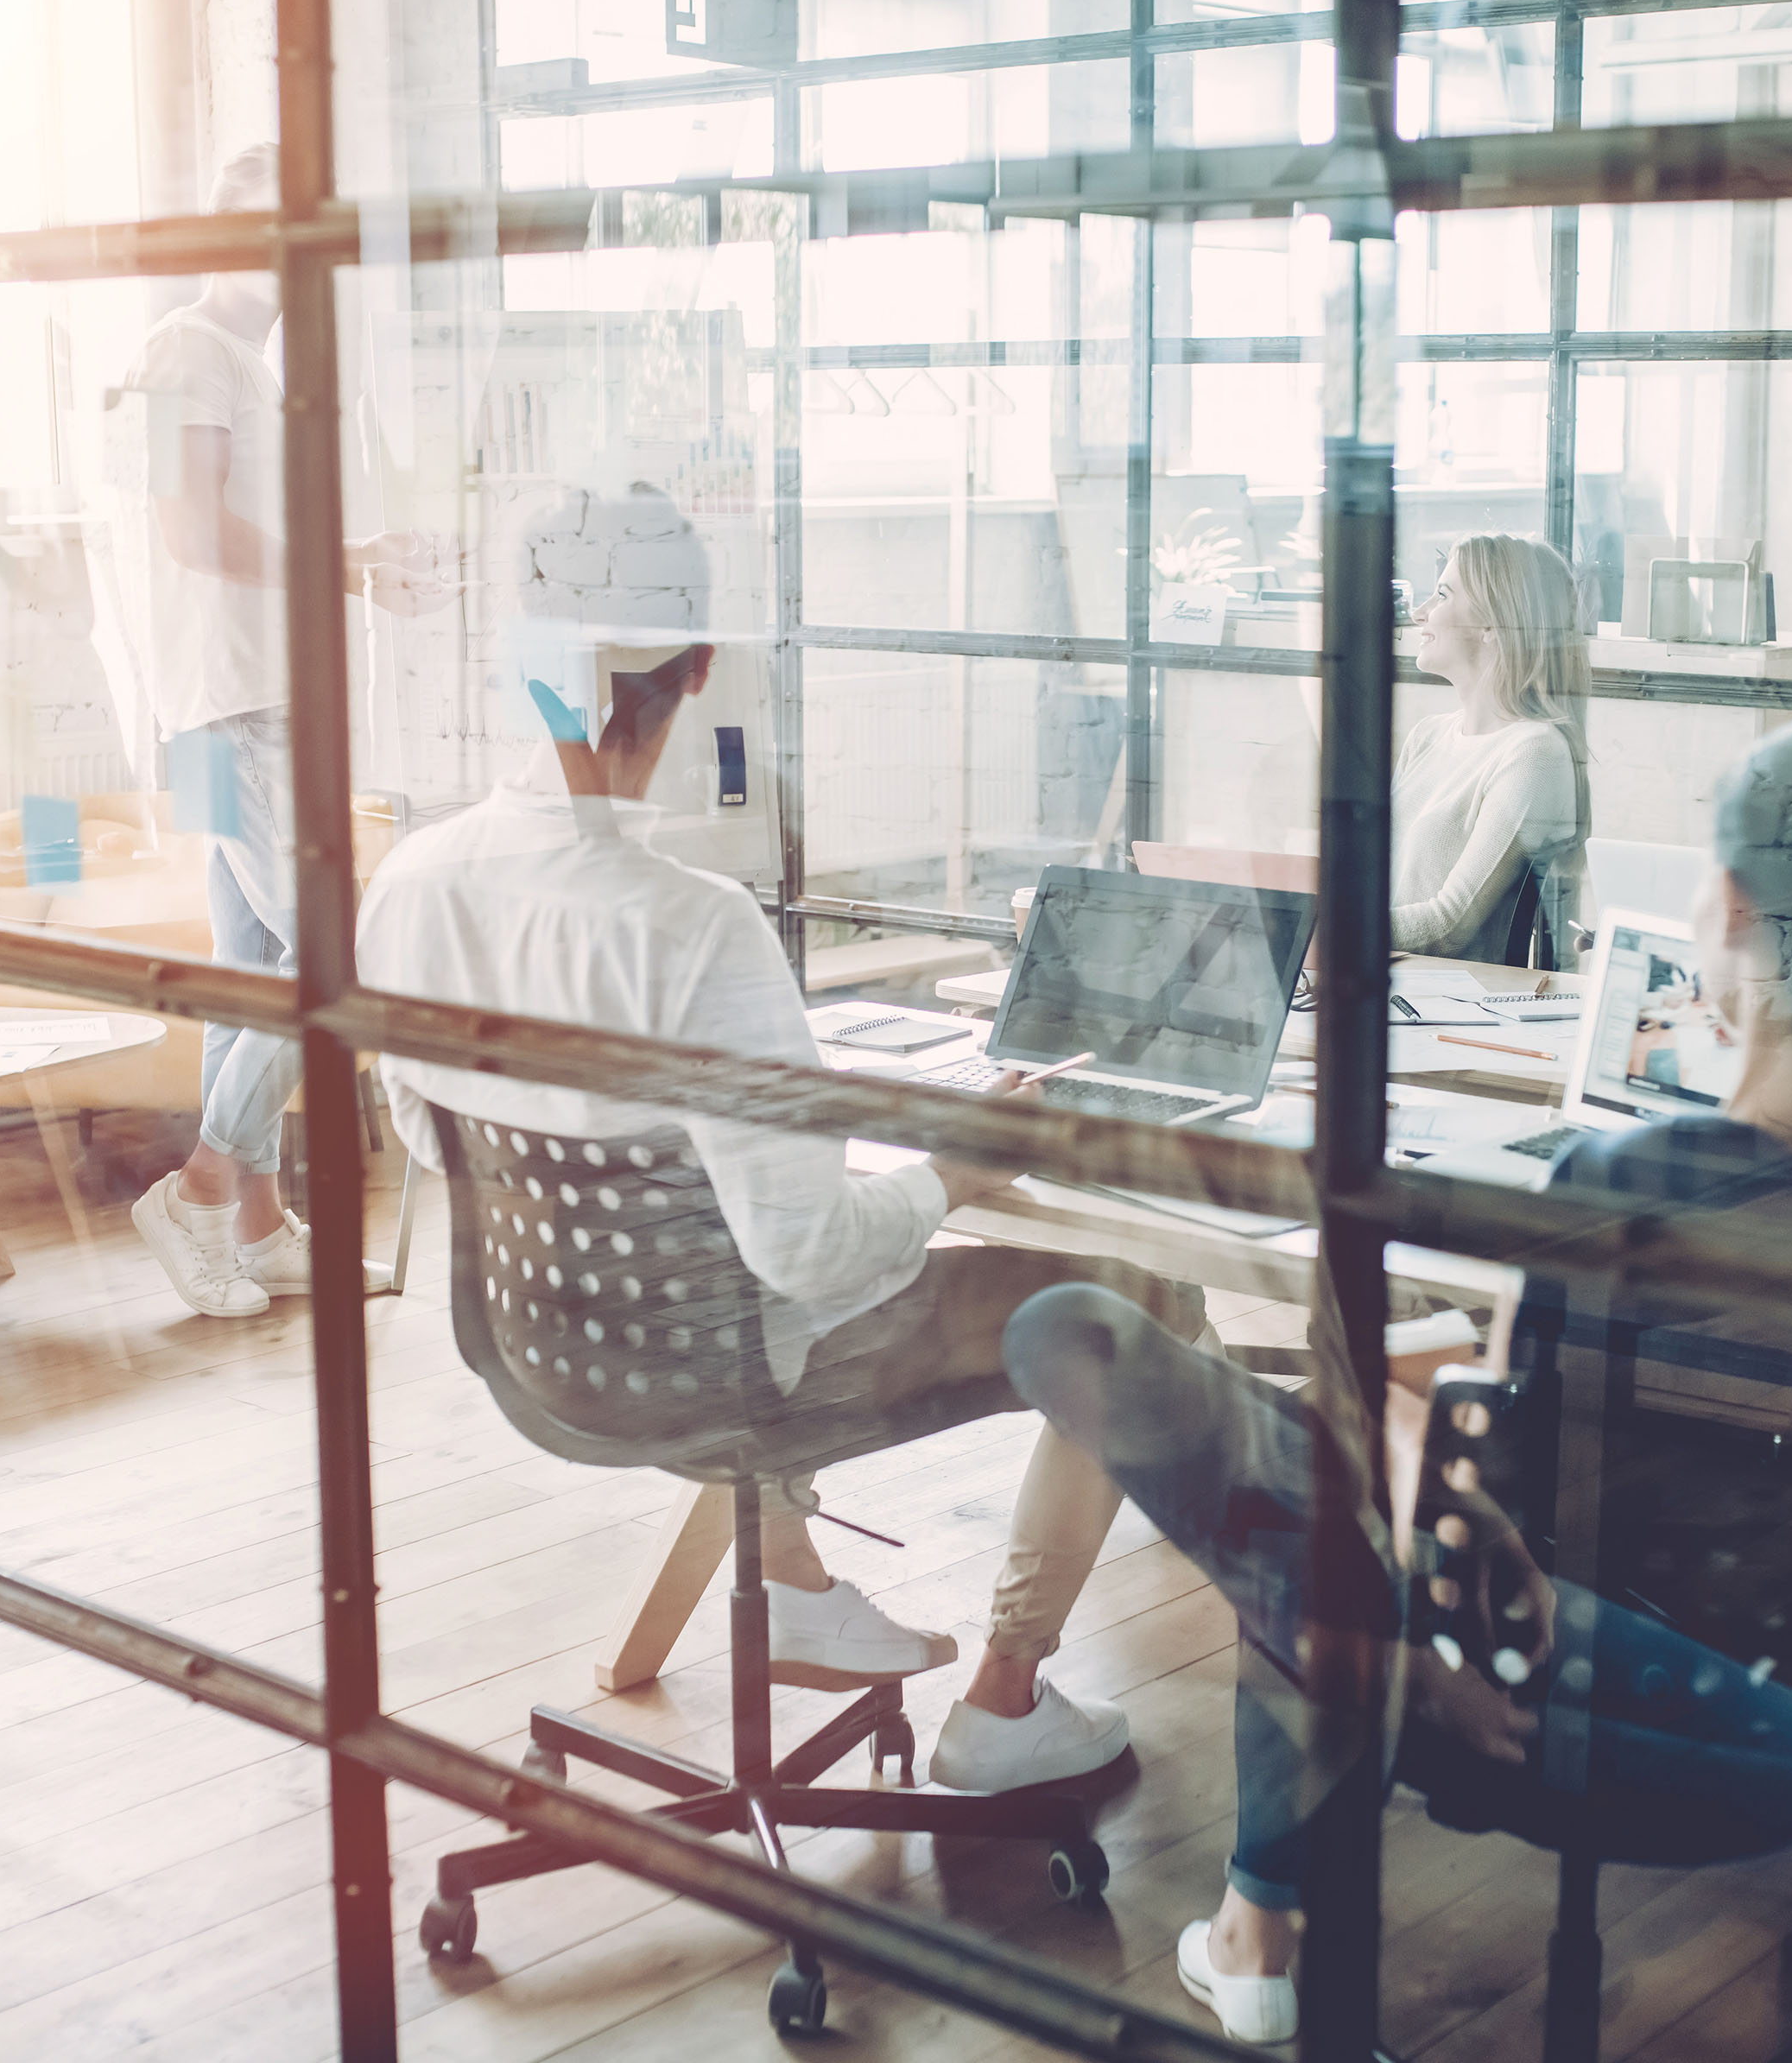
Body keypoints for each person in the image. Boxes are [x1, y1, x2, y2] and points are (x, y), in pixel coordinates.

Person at [1010, 722, 1792, 2053]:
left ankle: (1255, 1933)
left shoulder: (1641, 1186)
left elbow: (1485, 1530)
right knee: (1326, 1489)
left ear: (1731, 909)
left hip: (1537, 1703)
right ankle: (1257, 1925)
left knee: (1122, 1368)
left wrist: (1398, 1416)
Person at [354, 484, 1221, 1794]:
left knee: (740, 1277)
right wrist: (954, 1171)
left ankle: (796, 1578)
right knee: (1137, 1299)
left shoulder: (414, 878)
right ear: (700, 669)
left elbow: (433, 1142)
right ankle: (1002, 1699)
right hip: (724, 1369)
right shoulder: (695, 926)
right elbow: (810, 1256)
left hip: (543, 1354)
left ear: (517, 655)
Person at [94, 143, 459, 1319]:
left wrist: (366, 570)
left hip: (244, 706)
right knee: (320, 966)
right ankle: (200, 1194)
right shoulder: (181, 358)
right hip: (229, 709)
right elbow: (190, 536)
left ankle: (252, 1225)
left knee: (256, 972)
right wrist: (354, 570)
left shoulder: (248, 367)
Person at [1394, 533, 1589, 959]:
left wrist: (1326, 925)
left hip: (1443, 1007)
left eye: (1442, 595)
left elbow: (1450, 924)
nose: (1419, 613)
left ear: (1492, 626)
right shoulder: (1426, 737)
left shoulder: (1534, 752)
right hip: (1375, 983)